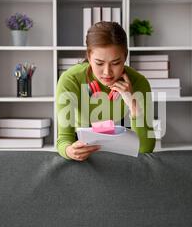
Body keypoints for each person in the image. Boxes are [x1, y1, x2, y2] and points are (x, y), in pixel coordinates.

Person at [56, 21, 155, 161]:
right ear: (89, 57)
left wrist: (132, 104)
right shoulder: (70, 80)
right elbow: (63, 140)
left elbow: (146, 149)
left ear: (125, 57)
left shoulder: (139, 82)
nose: (107, 72)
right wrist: (70, 151)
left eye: (116, 63)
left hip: (123, 156)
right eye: (99, 63)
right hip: (85, 156)